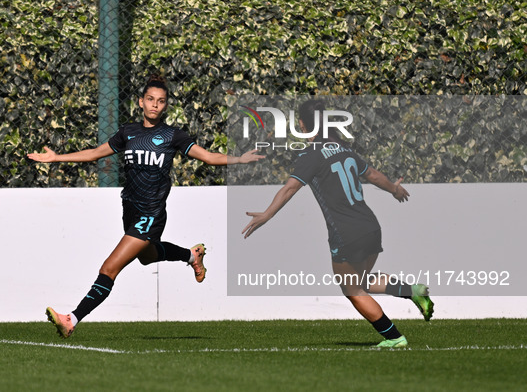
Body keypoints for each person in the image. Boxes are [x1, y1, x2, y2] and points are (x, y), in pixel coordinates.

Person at [28, 74, 264, 338]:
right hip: (129, 207)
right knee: (147, 257)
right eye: (150, 99)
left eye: (161, 101)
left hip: (151, 212)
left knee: (109, 268)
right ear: (141, 102)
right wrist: (57, 157)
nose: (155, 105)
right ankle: (191, 255)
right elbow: (95, 153)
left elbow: (208, 157)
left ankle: (71, 319)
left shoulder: (172, 135)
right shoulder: (128, 133)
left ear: (165, 106)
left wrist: (240, 160)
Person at [242, 99, 433, 348]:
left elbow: (290, 189)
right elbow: (374, 175)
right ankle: (413, 291)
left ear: (302, 125)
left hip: (345, 233)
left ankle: (395, 337)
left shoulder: (310, 155)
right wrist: (395, 189)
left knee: (352, 291)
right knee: (361, 282)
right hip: (371, 226)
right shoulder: (344, 149)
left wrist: (267, 214)